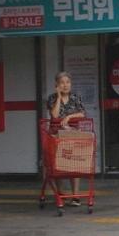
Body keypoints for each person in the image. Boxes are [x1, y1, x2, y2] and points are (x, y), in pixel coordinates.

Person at [46, 71, 85, 205]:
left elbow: (82, 113)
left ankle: (76, 196)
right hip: (56, 136)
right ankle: (61, 193)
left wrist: (69, 117)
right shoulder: (52, 98)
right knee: (58, 166)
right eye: (62, 83)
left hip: (72, 134)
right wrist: (58, 96)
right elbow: (55, 115)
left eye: (68, 82)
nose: (65, 85)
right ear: (57, 85)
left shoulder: (75, 97)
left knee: (74, 164)